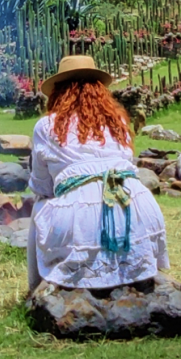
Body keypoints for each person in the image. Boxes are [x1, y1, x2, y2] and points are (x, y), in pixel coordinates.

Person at [27, 55, 172, 292]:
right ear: (99, 91)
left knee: (39, 205)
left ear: (58, 92)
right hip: (135, 206)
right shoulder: (117, 125)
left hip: (80, 216)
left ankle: (36, 287)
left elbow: (42, 186)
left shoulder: (46, 126)